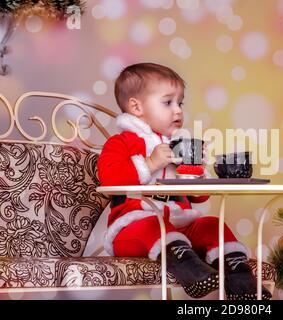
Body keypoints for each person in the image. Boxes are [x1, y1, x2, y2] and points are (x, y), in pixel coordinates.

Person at [97, 62, 271, 300]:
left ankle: (240, 280)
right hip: (132, 228)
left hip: (180, 226)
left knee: (212, 225)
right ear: (136, 107)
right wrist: (149, 164)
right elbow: (109, 180)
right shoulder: (121, 142)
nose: (178, 110)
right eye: (168, 102)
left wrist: (195, 172)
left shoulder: (179, 144)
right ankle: (194, 274)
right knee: (152, 227)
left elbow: (199, 197)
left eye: (180, 103)